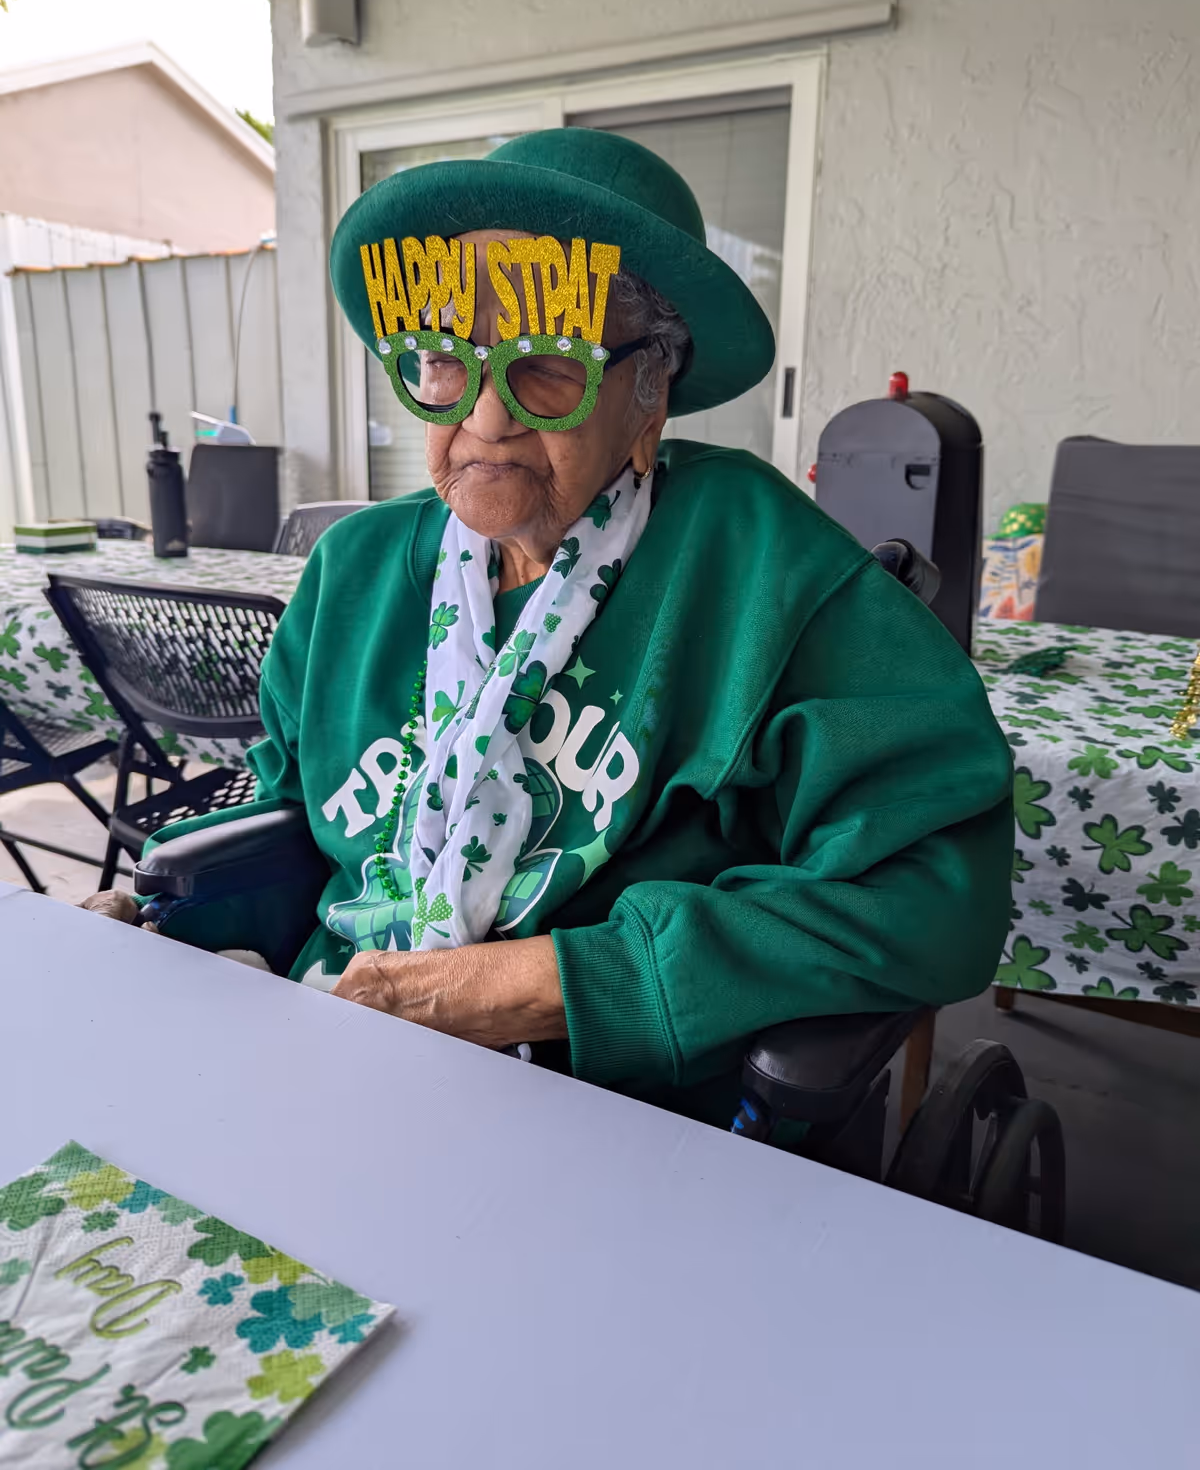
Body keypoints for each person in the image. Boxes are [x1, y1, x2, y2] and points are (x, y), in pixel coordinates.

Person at [88, 129, 1014, 1128]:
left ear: (651, 391)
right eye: (442, 358)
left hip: (626, 1109)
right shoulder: (353, 570)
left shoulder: (764, 565)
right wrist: (166, 918)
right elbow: (293, 820)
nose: (486, 418)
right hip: (343, 1047)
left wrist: (549, 985)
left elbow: (936, 896)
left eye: (548, 365)